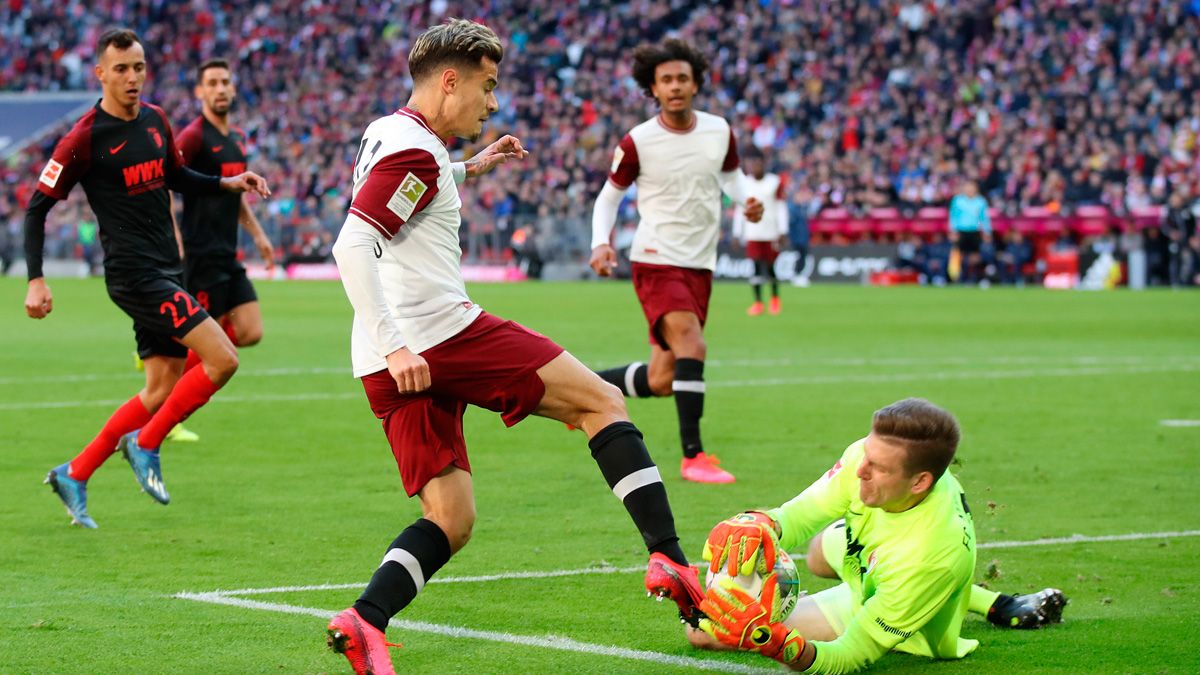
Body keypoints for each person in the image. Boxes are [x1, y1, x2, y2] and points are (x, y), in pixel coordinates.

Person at [324, 21, 704, 675]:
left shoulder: (390, 133)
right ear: (451, 80)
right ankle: (669, 555)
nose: (492, 102)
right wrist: (398, 345)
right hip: (435, 334)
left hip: (384, 358)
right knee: (602, 402)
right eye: (487, 85)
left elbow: (414, 183)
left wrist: (472, 166)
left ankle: (364, 620)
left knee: (451, 517)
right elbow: (351, 244)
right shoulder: (413, 153)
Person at [23, 28, 270, 529]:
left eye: (138, 67)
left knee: (159, 389)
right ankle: (148, 442)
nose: (132, 77)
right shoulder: (84, 139)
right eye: (120, 69)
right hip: (134, 275)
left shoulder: (157, 120)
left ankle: (75, 472)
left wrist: (227, 182)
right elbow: (36, 208)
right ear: (101, 74)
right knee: (223, 359)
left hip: (167, 269)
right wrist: (35, 279)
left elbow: (177, 176)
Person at [688, 398, 1067, 671]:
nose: (859, 470)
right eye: (865, 454)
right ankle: (995, 602)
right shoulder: (867, 459)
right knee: (818, 551)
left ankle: (992, 606)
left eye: (878, 467)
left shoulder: (927, 559)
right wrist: (761, 522)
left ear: (920, 482)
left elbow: (852, 654)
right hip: (873, 558)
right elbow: (801, 515)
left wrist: (780, 645)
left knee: (705, 635)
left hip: (906, 614)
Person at [588, 38, 764, 484]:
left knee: (664, 377)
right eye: (666, 80)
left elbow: (732, 178)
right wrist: (600, 243)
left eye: (682, 78)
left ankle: (584, 389)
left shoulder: (719, 131)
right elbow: (609, 198)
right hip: (656, 259)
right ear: (653, 88)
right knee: (692, 344)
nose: (675, 86)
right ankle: (694, 457)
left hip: (700, 263)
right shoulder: (637, 142)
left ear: (696, 83)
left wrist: (749, 202)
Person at [168, 57, 276, 438]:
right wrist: (175, 237)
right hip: (198, 252)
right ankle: (168, 411)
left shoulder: (238, 139)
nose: (219, 88)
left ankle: (176, 368)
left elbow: (237, 192)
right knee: (202, 338)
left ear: (232, 88)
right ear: (200, 91)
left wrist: (258, 235)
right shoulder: (193, 136)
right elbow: (166, 180)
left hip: (227, 253)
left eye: (224, 82)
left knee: (250, 330)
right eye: (211, 82)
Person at [733, 145, 789, 316]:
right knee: (756, 267)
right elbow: (739, 209)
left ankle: (774, 300)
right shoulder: (744, 183)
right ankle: (757, 302)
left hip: (770, 232)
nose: (754, 167)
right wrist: (737, 233)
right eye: (752, 164)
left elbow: (781, 207)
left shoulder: (774, 182)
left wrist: (782, 230)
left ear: (764, 164)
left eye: (757, 163)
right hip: (753, 232)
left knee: (771, 268)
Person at [947, 181, 991, 283]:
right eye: (967, 187)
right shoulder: (958, 200)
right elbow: (953, 217)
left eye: (971, 187)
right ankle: (955, 278)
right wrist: (952, 231)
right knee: (957, 254)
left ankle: (973, 277)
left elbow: (984, 218)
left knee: (975, 256)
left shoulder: (980, 201)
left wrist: (987, 231)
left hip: (974, 231)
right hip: (961, 231)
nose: (969, 189)